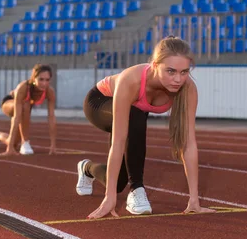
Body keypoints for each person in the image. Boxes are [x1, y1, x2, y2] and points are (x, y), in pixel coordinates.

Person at [75, 36, 214, 219]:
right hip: (100, 103)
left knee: (117, 182)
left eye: (184, 72)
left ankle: (87, 168)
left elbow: (189, 143)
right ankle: (137, 190)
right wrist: (110, 198)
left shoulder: (188, 89)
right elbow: (119, 141)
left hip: (135, 114)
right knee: (135, 116)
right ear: (155, 65)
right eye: (171, 71)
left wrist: (194, 200)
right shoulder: (131, 80)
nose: (178, 79)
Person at [0, 64, 57, 156]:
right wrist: (9, 149)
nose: (44, 83)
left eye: (47, 80)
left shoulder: (49, 91)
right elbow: (16, 117)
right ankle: (25, 142)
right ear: (34, 78)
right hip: (10, 104)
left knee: (14, 143)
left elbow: (51, 117)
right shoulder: (23, 87)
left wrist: (53, 145)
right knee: (25, 105)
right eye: (41, 79)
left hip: (25, 110)